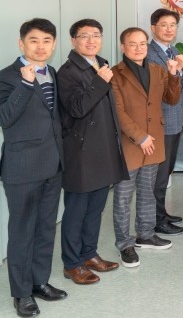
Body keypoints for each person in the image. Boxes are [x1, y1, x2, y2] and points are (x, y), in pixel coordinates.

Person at [0, 18, 67, 317]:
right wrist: (26, 84)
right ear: (21, 43)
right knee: (22, 231)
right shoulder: (6, 77)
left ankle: (40, 281)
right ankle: (21, 292)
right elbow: (5, 118)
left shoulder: (52, 72)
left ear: (53, 45)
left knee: (46, 228)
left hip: (53, 164)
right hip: (22, 168)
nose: (41, 47)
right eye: (34, 40)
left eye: (47, 41)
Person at [57, 19, 129, 285]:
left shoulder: (101, 64)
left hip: (103, 148)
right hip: (81, 151)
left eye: (96, 35)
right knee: (76, 211)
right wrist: (99, 82)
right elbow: (77, 108)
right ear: (73, 40)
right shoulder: (67, 72)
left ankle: (89, 254)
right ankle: (72, 264)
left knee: (95, 209)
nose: (91, 40)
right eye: (84, 36)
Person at [110, 27, 181, 268]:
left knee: (147, 192)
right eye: (133, 44)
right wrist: (140, 137)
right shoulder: (115, 74)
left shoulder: (157, 69)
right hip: (131, 143)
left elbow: (171, 99)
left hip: (154, 141)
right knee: (123, 197)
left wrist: (173, 75)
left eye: (142, 43)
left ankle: (146, 234)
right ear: (122, 47)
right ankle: (125, 244)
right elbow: (118, 112)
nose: (139, 48)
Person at [145, 8, 183, 237]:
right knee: (159, 176)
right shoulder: (150, 54)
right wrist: (176, 71)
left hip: (175, 120)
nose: (169, 29)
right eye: (164, 25)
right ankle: (156, 220)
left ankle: (162, 213)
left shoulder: (172, 51)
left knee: (166, 171)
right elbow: (158, 89)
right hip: (161, 123)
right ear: (153, 28)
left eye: (173, 25)